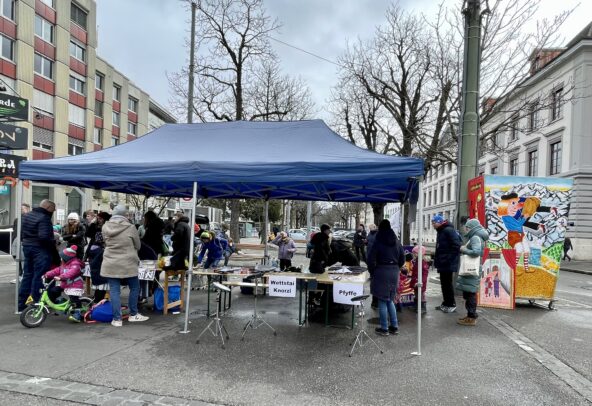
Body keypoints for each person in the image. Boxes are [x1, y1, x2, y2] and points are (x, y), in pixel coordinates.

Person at [100, 205, 149, 326]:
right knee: (134, 287)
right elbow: (138, 245)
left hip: (110, 261)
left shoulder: (105, 226)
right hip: (128, 262)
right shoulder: (130, 227)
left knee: (114, 291)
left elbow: (106, 243)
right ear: (124, 215)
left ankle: (117, 319)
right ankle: (133, 314)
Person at [366, 219, 405, 336]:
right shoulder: (397, 242)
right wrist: (395, 267)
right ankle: (394, 326)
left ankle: (384, 328)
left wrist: (373, 272)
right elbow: (402, 259)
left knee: (382, 300)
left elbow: (370, 259)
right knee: (390, 300)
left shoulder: (378, 241)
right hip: (394, 272)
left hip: (381, 271)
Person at [18, 200, 56, 312]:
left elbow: (21, 233)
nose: (53, 212)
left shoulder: (26, 216)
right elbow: (44, 237)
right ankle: (36, 303)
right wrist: (52, 243)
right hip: (40, 250)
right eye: (53, 210)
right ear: (48, 207)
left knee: (27, 275)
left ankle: (21, 304)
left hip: (27, 247)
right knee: (40, 276)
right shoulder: (44, 218)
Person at [457, 218, 489, 326]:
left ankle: (471, 317)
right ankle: (470, 315)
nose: (465, 229)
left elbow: (476, 252)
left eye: (466, 227)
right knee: (469, 292)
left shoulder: (475, 237)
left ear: (470, 228)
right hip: (473, 268)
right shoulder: (477, 236)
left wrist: (463, 250)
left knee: (470, 293)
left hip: (472, 268)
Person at [44, 245, 85, 322]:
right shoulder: (64, 264)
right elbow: (56, 270)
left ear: (67, 257)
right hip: (66, 284)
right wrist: (47, 274)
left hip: (74, 285)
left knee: (74, 299)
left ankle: (77, 314)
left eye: (62, 257)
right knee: (53, 291)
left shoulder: (75, 264)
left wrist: (61, 277)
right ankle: (62, 304)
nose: (61, 258)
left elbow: (71, 272)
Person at [432, 214, 462, 313]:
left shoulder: (448, 230)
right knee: (444, 284)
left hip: (447, 263)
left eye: (434, 222)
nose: (432, 224)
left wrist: (448, 259)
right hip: (443, 262)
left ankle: (451, 304)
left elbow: (456, 245)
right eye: (432, 222)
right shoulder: (441, 231)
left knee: (447, 284)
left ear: (440, 222)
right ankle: (446, 303)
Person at [85, 212, 111, 302]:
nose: (99, 220)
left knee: (101, 275)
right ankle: (98, 295)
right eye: (98, 218)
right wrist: (93, 223)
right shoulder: (96, 227)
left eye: (100, 218)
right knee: (96, 274)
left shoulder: (108, 227)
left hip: (103, 253)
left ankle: (100, 295)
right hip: (94, 252)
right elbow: (88, 234)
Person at [11, 203, 31, 284]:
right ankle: (19, 276)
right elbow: (14, 229)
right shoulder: (17, 219)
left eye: (22, 209)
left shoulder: (30, 218)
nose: (20, 210)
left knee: (23, 260)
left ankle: (24, 276)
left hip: (24, 242)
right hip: (15, 241)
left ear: (27, 209)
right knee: (17, 258)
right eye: (20, 209)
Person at [411, 245, 430, 314]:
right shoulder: (417, 261)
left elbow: (424, 275)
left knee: (421, 295)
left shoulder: (423, 263)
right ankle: (416, 306)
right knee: (416, 294)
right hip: (416, 281)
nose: (413, 254)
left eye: (415, 253)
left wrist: (420, 281)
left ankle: (422, 308)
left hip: (420, 282)